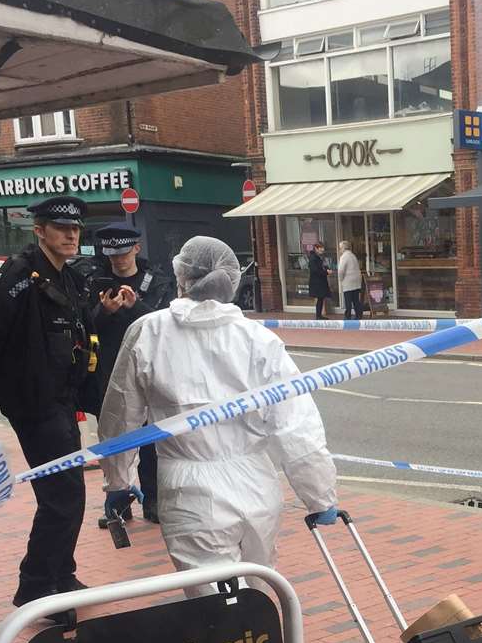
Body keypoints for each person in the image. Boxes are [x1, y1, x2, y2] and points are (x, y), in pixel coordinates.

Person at [97, 237, 338, 595]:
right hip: (257, 486)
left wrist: (118, 481)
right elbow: (295, 424)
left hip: (189, 488)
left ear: (182, 276)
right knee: (260, 592)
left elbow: (120, 415)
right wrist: (320, 496)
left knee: (216, 610)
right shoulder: (258, 339)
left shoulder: (149, 332)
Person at [0, 195, 105, 621]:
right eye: (61, 227)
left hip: (60, 399)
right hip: (35, 401)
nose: (70, 235)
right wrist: (4, 392)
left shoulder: (64, 275)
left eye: (76, 228)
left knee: (69, 494)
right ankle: (36, 588)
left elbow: (76, 328)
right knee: (61, 496)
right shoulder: (20, 276)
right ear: (39, 230)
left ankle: (61, 576)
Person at [88, 224, 174, 526]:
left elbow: (163, 323)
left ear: (136, 248)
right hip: (109, 370)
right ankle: (118, 503)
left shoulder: (159, 280)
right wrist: (105, 311)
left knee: (150, 440)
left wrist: (135, 306)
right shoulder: (95, 281)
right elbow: (86, 324)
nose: (118, 261)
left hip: (149, 368)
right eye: (112, 255)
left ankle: (153, 500)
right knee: (112, 437)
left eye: (123, 253)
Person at [338, 240, 364, 320]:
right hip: (356, 281)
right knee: (356, 299)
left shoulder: (344, 256)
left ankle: (347, 316)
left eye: (340, 248)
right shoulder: (353, 255)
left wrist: (341, 279)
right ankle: (358, 315)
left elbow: (341, 270)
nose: (339, 250)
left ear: (343, 248)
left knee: (348, 300)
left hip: (348, 281)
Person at [307, 240, 333, 319]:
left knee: (321, 298)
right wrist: (326, 272)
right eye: (321, 248)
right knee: (319, 298)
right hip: (317, 282)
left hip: (320, 282)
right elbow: (315, 270)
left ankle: (319, 315)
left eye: (323, 248)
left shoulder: (318, 257)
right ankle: (318, 316)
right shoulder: (313, 258)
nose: (322, 250)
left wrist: (327, 269)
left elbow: (322, 266)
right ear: (316, 248)